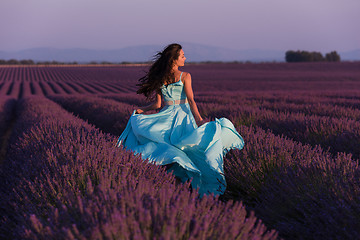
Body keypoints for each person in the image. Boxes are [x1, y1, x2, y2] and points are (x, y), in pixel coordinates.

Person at [117, 43, 244, 196]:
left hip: (166, 116)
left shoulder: (160, 78)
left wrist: (141, 111)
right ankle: (193, 187)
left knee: (172, 150)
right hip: (183, 117)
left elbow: (157, 105)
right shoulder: (185, 76)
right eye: (182, 56)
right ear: (174, 60)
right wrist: (199, 119)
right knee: (190, 148)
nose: (185, 58)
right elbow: (191, 101)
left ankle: (173, 187)